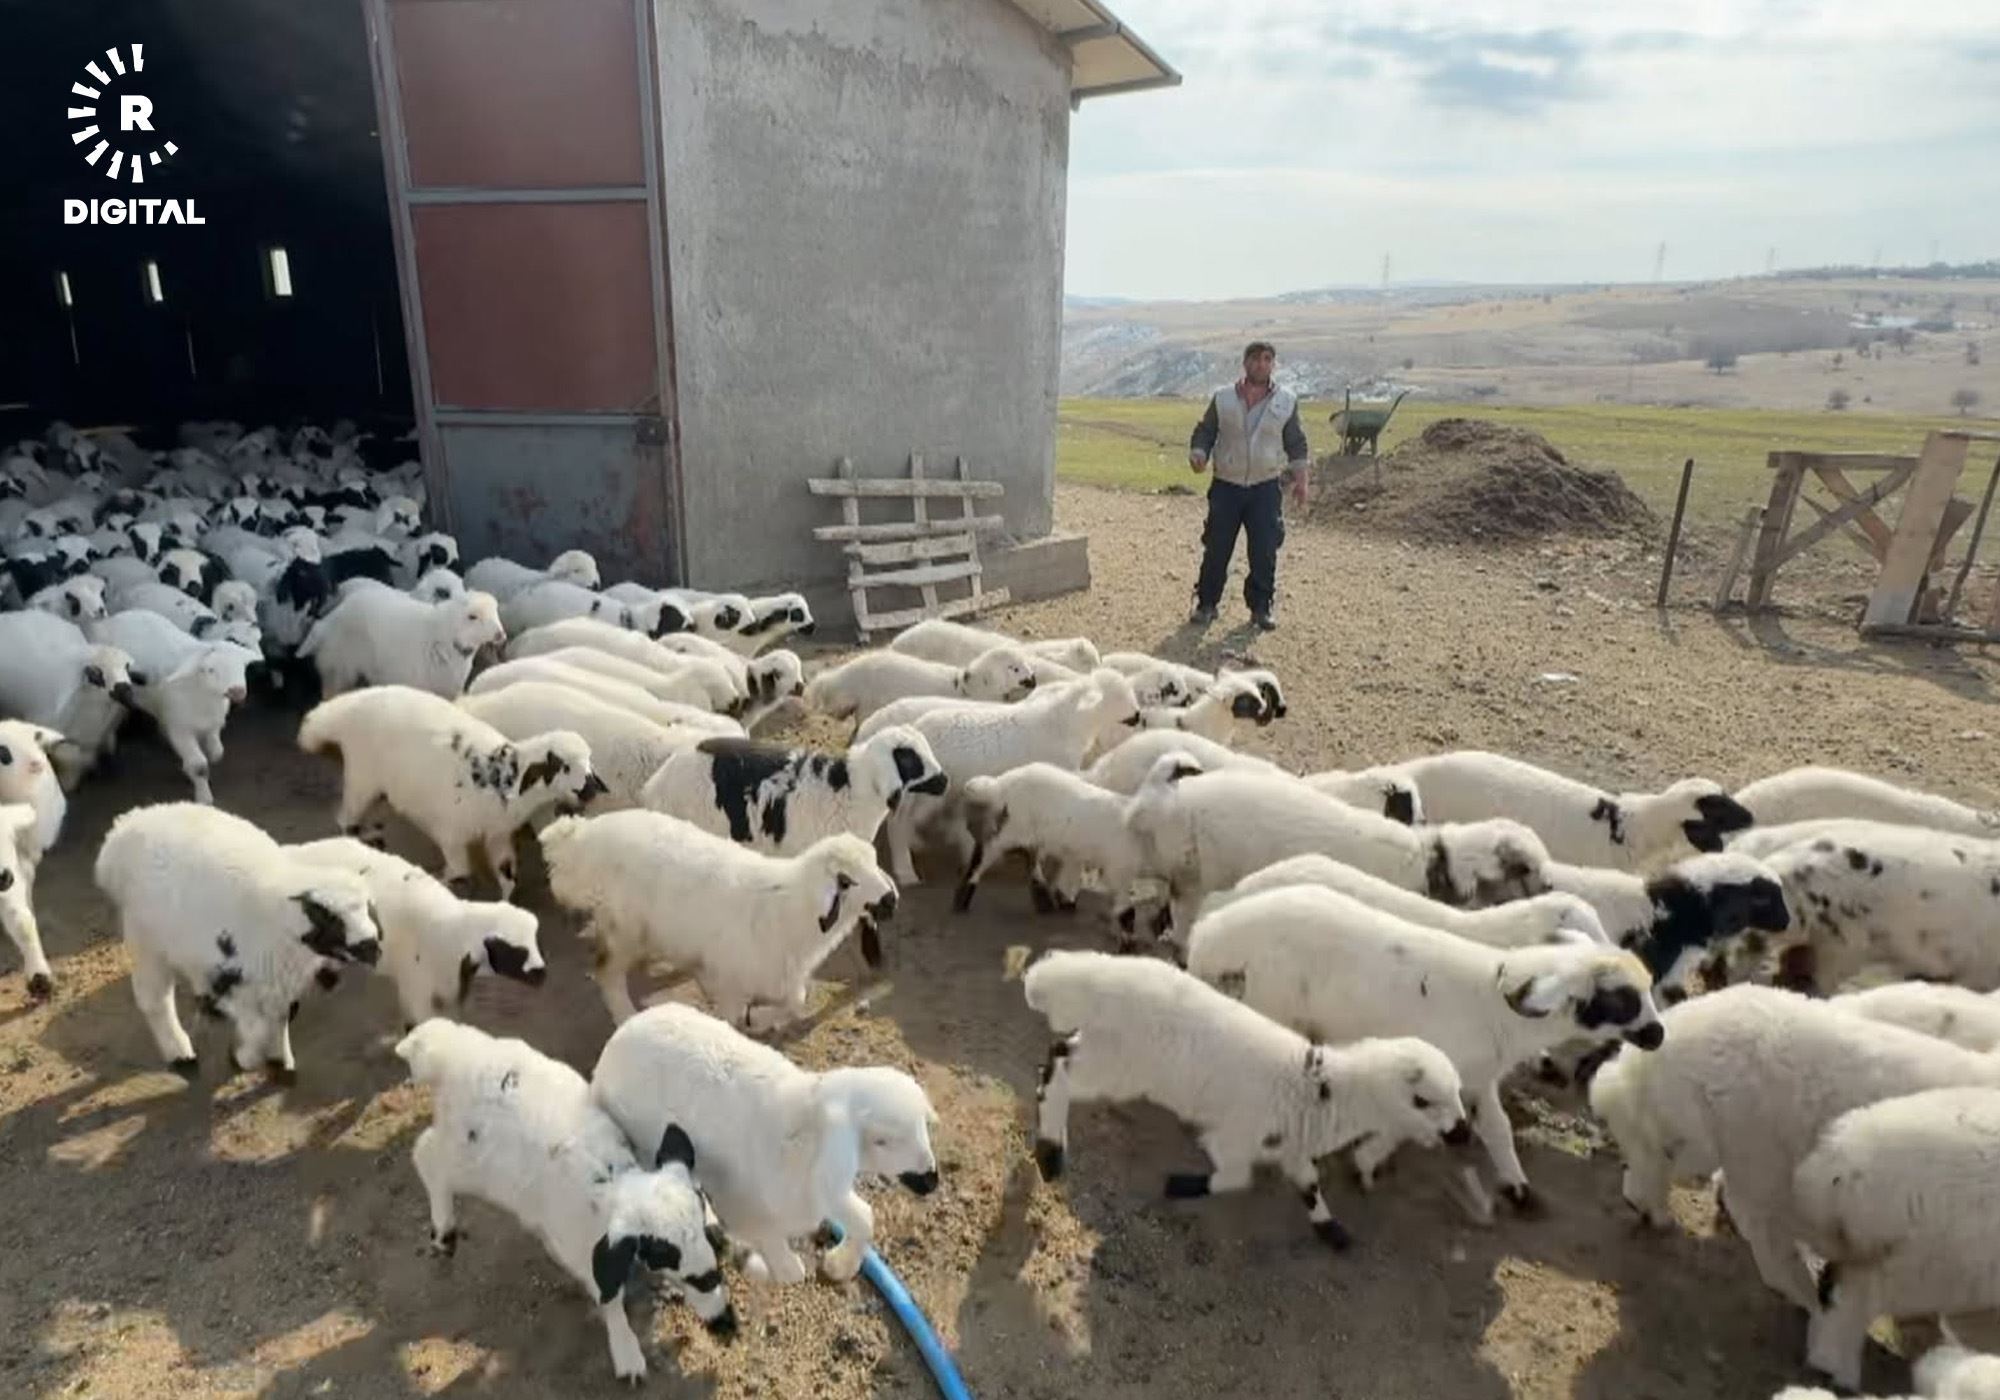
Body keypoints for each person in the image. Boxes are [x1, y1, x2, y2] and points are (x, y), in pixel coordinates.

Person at [1186, 341, 1310, 630]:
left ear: (1273, 364)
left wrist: (1302, 481)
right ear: (1245, 363)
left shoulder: (1286, 401)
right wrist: (1199, 453)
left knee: (1264, 550)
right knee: (1217, 547)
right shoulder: (1223, 398)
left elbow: (1296, 443)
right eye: (1255, 359)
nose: (1261, 364)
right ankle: (1206, 603)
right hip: (1226, 485)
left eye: (1267, 359)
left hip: (1265, 487)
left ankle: (1261, 607)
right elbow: (1205, 431)